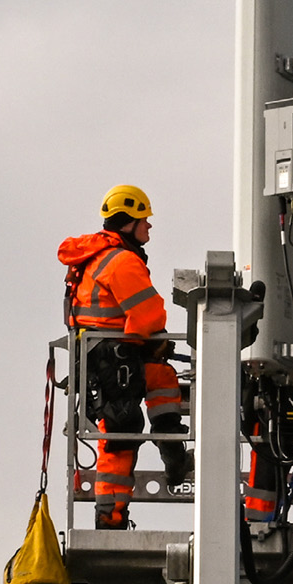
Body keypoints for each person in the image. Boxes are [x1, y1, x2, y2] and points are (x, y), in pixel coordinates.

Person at [57, 184, 192, 529]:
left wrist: (144, 345)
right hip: (115, 360)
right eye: (144, 220)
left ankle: (170, 459)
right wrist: (149, 342)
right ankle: (113, 513)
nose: (149, 226)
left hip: (103, 358)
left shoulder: (95, 258)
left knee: (160, 382)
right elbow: (149, 314)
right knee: (122, 435)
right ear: (128, 222)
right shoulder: (121, 261)